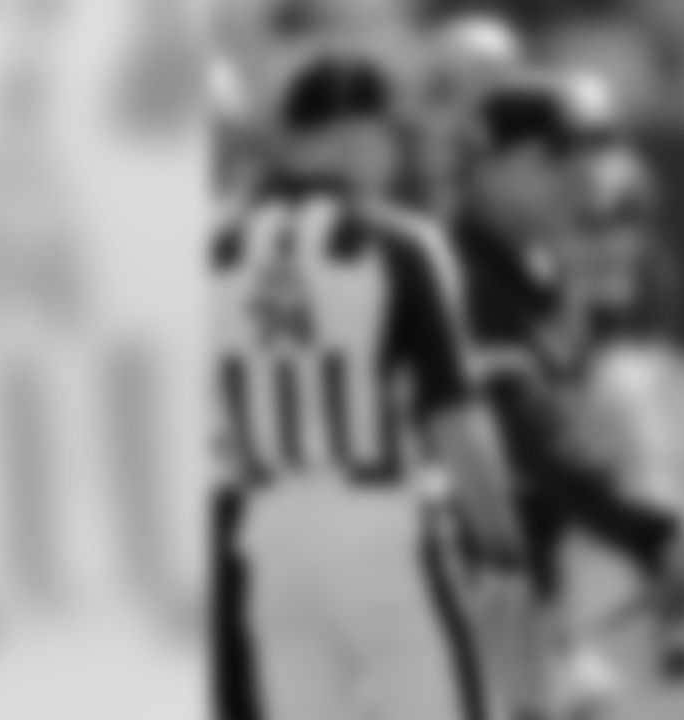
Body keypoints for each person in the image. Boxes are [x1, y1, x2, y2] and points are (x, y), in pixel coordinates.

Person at [213, 53, 526, 720]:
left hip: (267, 535)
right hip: (378, 526)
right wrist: (501, 546)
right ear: (351, 133)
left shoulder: (216, 246)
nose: (395, 154)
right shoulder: (397, 243)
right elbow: (456, 417)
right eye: (390, 134)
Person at [449, 80, 684, 699]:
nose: (578, 176)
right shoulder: (456, 271)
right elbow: (524, 439)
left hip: (513, 569)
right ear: (489, 164)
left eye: (584, 155)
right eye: (553, 158)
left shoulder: (531, 270)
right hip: (433, 577)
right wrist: (654, 535)